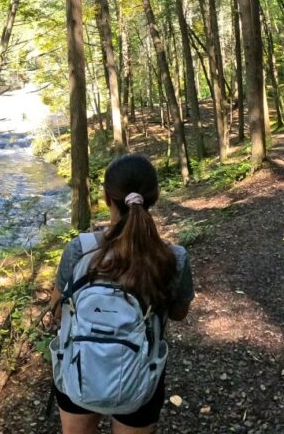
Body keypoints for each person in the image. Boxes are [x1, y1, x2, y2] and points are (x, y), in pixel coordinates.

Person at [50, 153, 194, 434]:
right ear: (155, 196)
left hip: (79, 366)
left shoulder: (80, 249)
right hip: (140, 372)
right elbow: (178, 313)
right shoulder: (173, 258)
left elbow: (57, 310)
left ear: (106, 197)